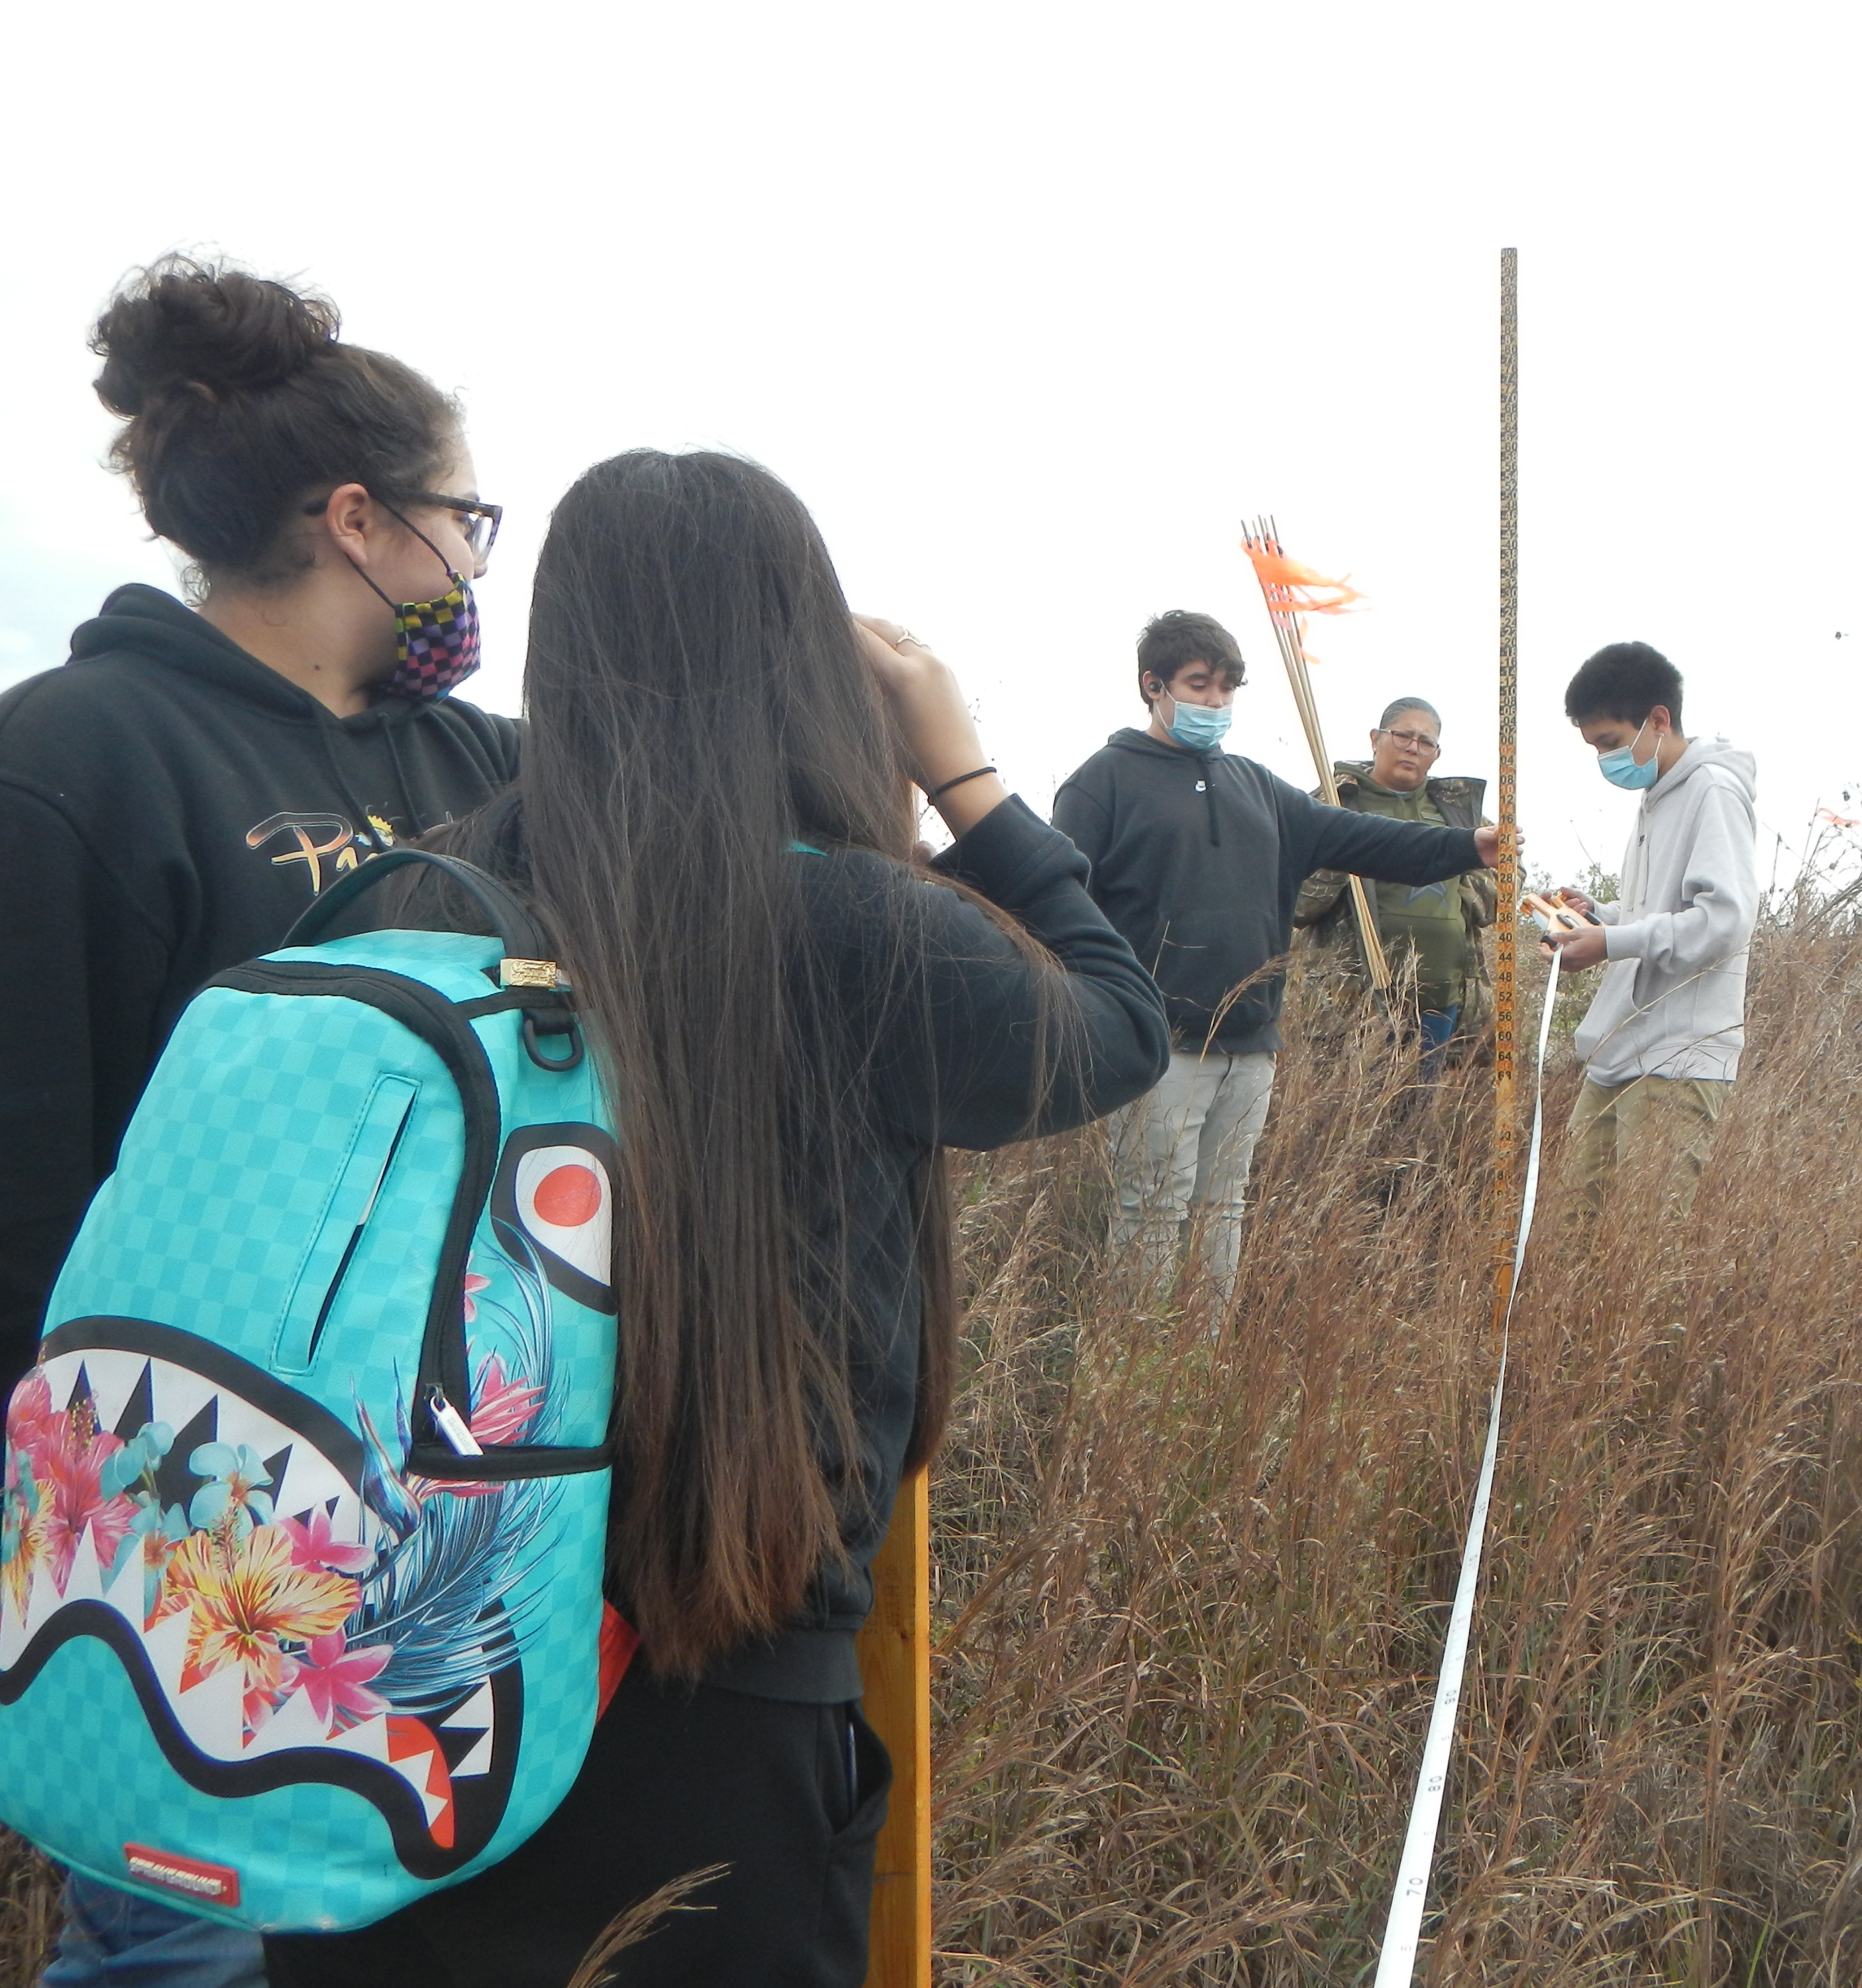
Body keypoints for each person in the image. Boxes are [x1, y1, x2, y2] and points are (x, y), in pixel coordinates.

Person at [263, 451, 1168, 1986]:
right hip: (727, 1688)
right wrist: (965, 775)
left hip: (379, 1671)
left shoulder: (415, 904)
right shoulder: (860, 925)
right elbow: (1116, 1024)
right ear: (812, 670)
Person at [0, 256, 523, 1988]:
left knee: (417, 1925)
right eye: (465, 516)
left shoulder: (480, 767)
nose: (471, 561)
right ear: (362, 520)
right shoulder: (73, 761)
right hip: (184, 1504)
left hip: (467, 1482)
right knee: (188, 1942)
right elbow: (28, 1167)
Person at [1052, 612, 1506, 1298]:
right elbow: (1062, 901)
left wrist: (1466, 847)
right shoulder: (1102, 783)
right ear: (1153, 686)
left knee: (1222, 1212)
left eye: (1226, 688)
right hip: (1158, 1043)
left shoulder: (1258, 787)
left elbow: (1366, 839)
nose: (1214, 703)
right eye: (1198, 686)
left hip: (1252, 1044)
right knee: (1150, 1210)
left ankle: (1199, 1366)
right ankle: (1135, 1370)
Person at [1542, 641, 1758, 1222]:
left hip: (1679, 1058)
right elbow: (1655, 911)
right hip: (1621, 1048)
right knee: (1578, 1236)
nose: (1604, 760)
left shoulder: (1712, 790)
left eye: (1610, 742)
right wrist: (1600, 916)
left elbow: (1724, 920)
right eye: (1594, 748)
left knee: (1643, 1248)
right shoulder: (1656, 796)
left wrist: (1610, 943)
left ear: (1658, 720)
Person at [1293, 696, 1498, 1074]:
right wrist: (1344, 849)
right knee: (1347, 1123)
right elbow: (1298, 904)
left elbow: (1504, 883)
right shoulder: (1332, 803)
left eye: (1426, 742)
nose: (1413, 748)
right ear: (1375, 738)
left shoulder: (1458, 812)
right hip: (1352, 1002)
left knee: (1415, 1122)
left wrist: (1459, 895)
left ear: (1436, 754)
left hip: (1440, 1001)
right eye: (1403, 736)